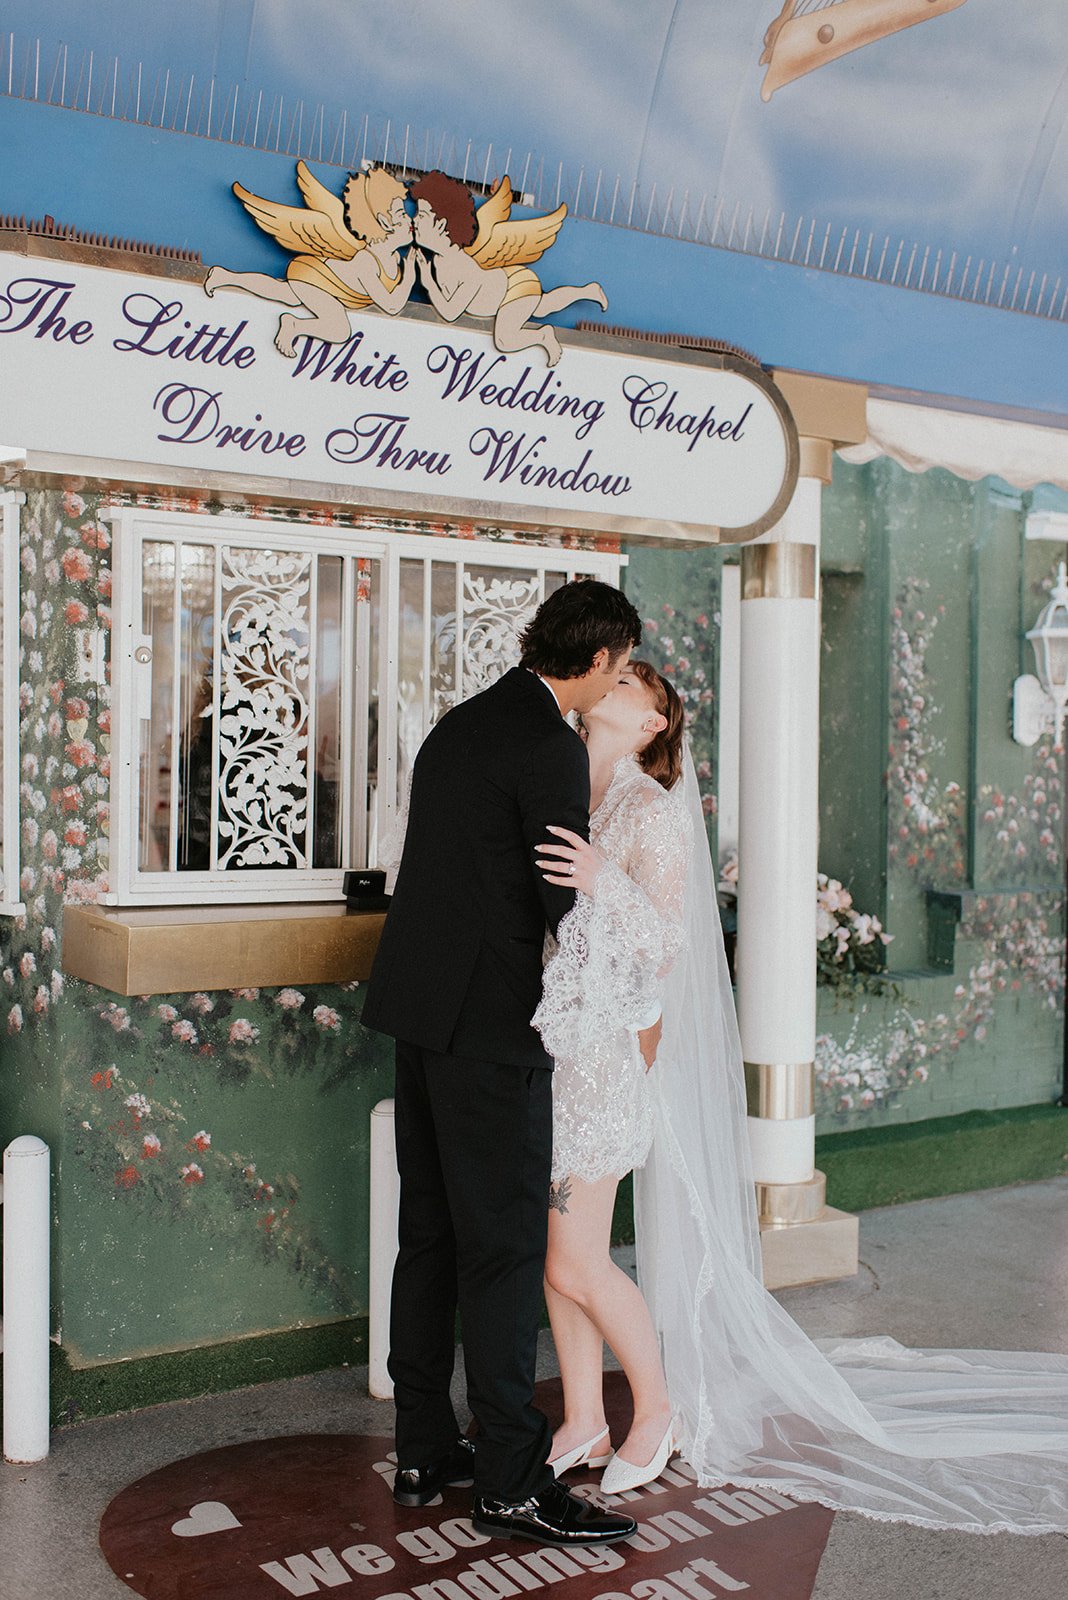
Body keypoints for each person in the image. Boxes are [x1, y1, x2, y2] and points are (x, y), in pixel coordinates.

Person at [532, 672, 1068, 1533]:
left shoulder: (649, 809)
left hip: (606, 1060)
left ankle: (658, 1410)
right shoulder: (571, 788)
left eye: (634, 679)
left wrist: (601, 880)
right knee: (559, 1253)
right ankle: (586, 1420)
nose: (617, 679)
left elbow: (668, 940)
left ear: (652, 721)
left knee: (572, 1260)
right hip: (559, 1046)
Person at [361, 578, 643, 1548]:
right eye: (619, 666)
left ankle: (422, 1449)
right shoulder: (550, 744)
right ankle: (514, 1482)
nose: (617, 684)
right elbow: (565, 904)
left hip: (420, 1015)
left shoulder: (462, 722)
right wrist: (616, 898)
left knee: (430, 1234)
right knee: (505, 1248)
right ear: (600, 659)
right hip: (494, 1028)